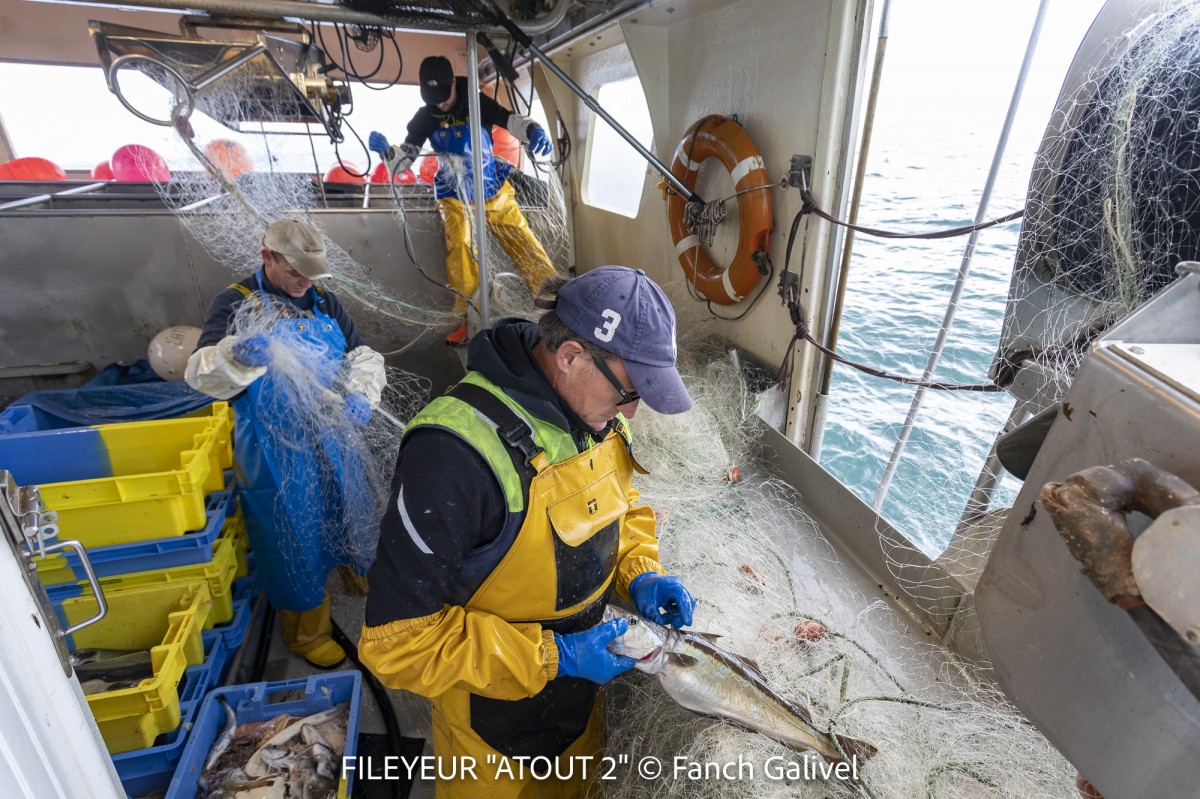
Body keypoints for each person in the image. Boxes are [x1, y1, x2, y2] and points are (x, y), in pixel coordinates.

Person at [359, 265, 696, 798]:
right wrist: (554, 657)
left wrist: (642, 574)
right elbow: (397, 643)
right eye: (630, 392)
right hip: (489, 744)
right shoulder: (451, 455)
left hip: (581, 717)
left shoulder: (598, 417)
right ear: (570, 357)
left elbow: (620, 510)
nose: (632, 413)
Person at [186, 218, 386, 669]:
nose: (306, 282)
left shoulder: (322, 301)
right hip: (275, 446)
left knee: (348, 506)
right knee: (295, 534)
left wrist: (361, 393)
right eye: (297, 272)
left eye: (313, 273)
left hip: (332, 433)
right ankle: (306, 631)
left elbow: (361, 355)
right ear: (268, 258)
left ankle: (354, 571)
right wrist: (233, 357)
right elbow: (200, 374)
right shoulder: (235, 303)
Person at [369, 54, 558, 346]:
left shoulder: (476, 100)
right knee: (460, 244)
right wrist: (388, 153)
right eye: (434, 100)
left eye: (444, 97)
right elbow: (406, 159)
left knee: (522, 237)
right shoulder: (425, 115)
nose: (440, 104)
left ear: (454, 85)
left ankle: (552, 301)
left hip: (490, 184)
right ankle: (468, 318)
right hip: (452, 192)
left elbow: (510, 120)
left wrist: (532, 129)